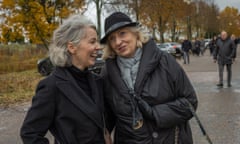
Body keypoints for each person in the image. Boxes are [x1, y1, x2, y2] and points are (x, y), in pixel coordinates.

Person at [100, 12, 198, 144]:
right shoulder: (107, 73)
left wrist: (155, 113)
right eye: (112, 38)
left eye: (122, 33)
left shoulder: (164, 61)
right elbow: (108, 115)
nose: (118, 42)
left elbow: (190, 102)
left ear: (135, 33)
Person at [20, 14, 111, 144]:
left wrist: (105, 132)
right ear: (72, 47)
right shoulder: (51, 86)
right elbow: (30, 133)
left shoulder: (97, 81)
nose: (98, 46)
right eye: (92, 41)